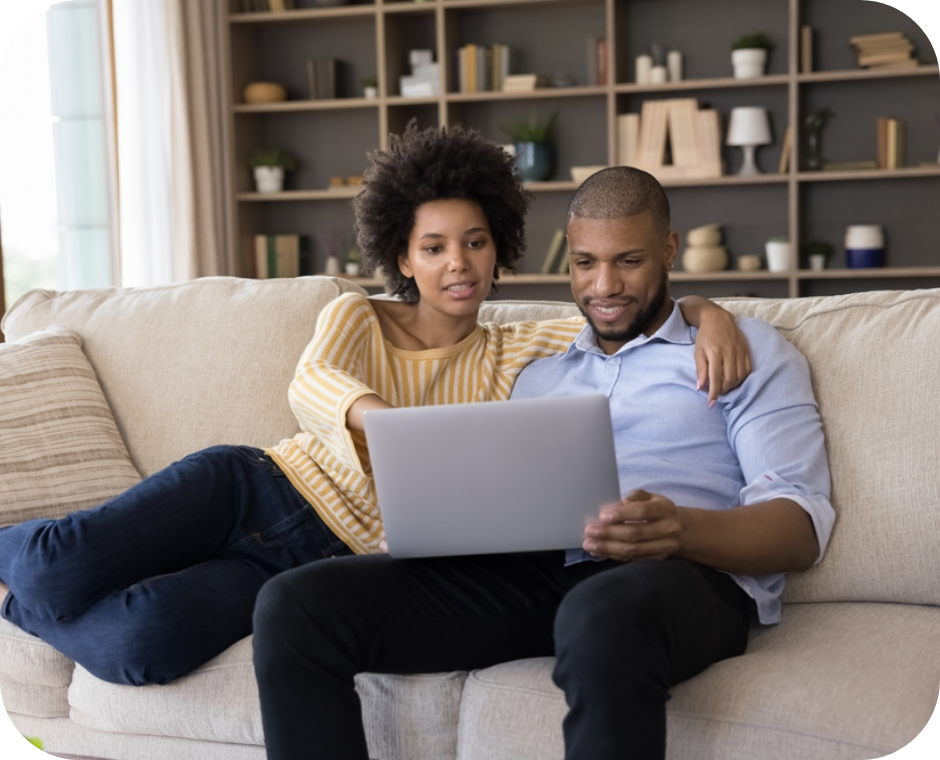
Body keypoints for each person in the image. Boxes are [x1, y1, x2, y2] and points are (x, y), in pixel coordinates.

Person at [0, 124, 745, 687]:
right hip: (254, 490)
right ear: (402, 257)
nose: (458, 264)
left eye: (476, 242)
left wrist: (709, 310)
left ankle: (14, 610)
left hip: (316, 568)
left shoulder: (522, 349)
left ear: (500, 250)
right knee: (55, 570)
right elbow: (314, 382)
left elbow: (620, 309)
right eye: (434, 246)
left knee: (142, 646)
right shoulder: (357, 316)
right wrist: (383, 421)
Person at [250, 165, 835, 760]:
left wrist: (680, 529)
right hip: (543, 572)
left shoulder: (746, 353)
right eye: (585, 263)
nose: (604, 285)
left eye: (628, 261)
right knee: (295, 604)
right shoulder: (540, 370)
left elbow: (799, 527)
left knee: (598, 613)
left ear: (668, 249)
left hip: (686, 580)